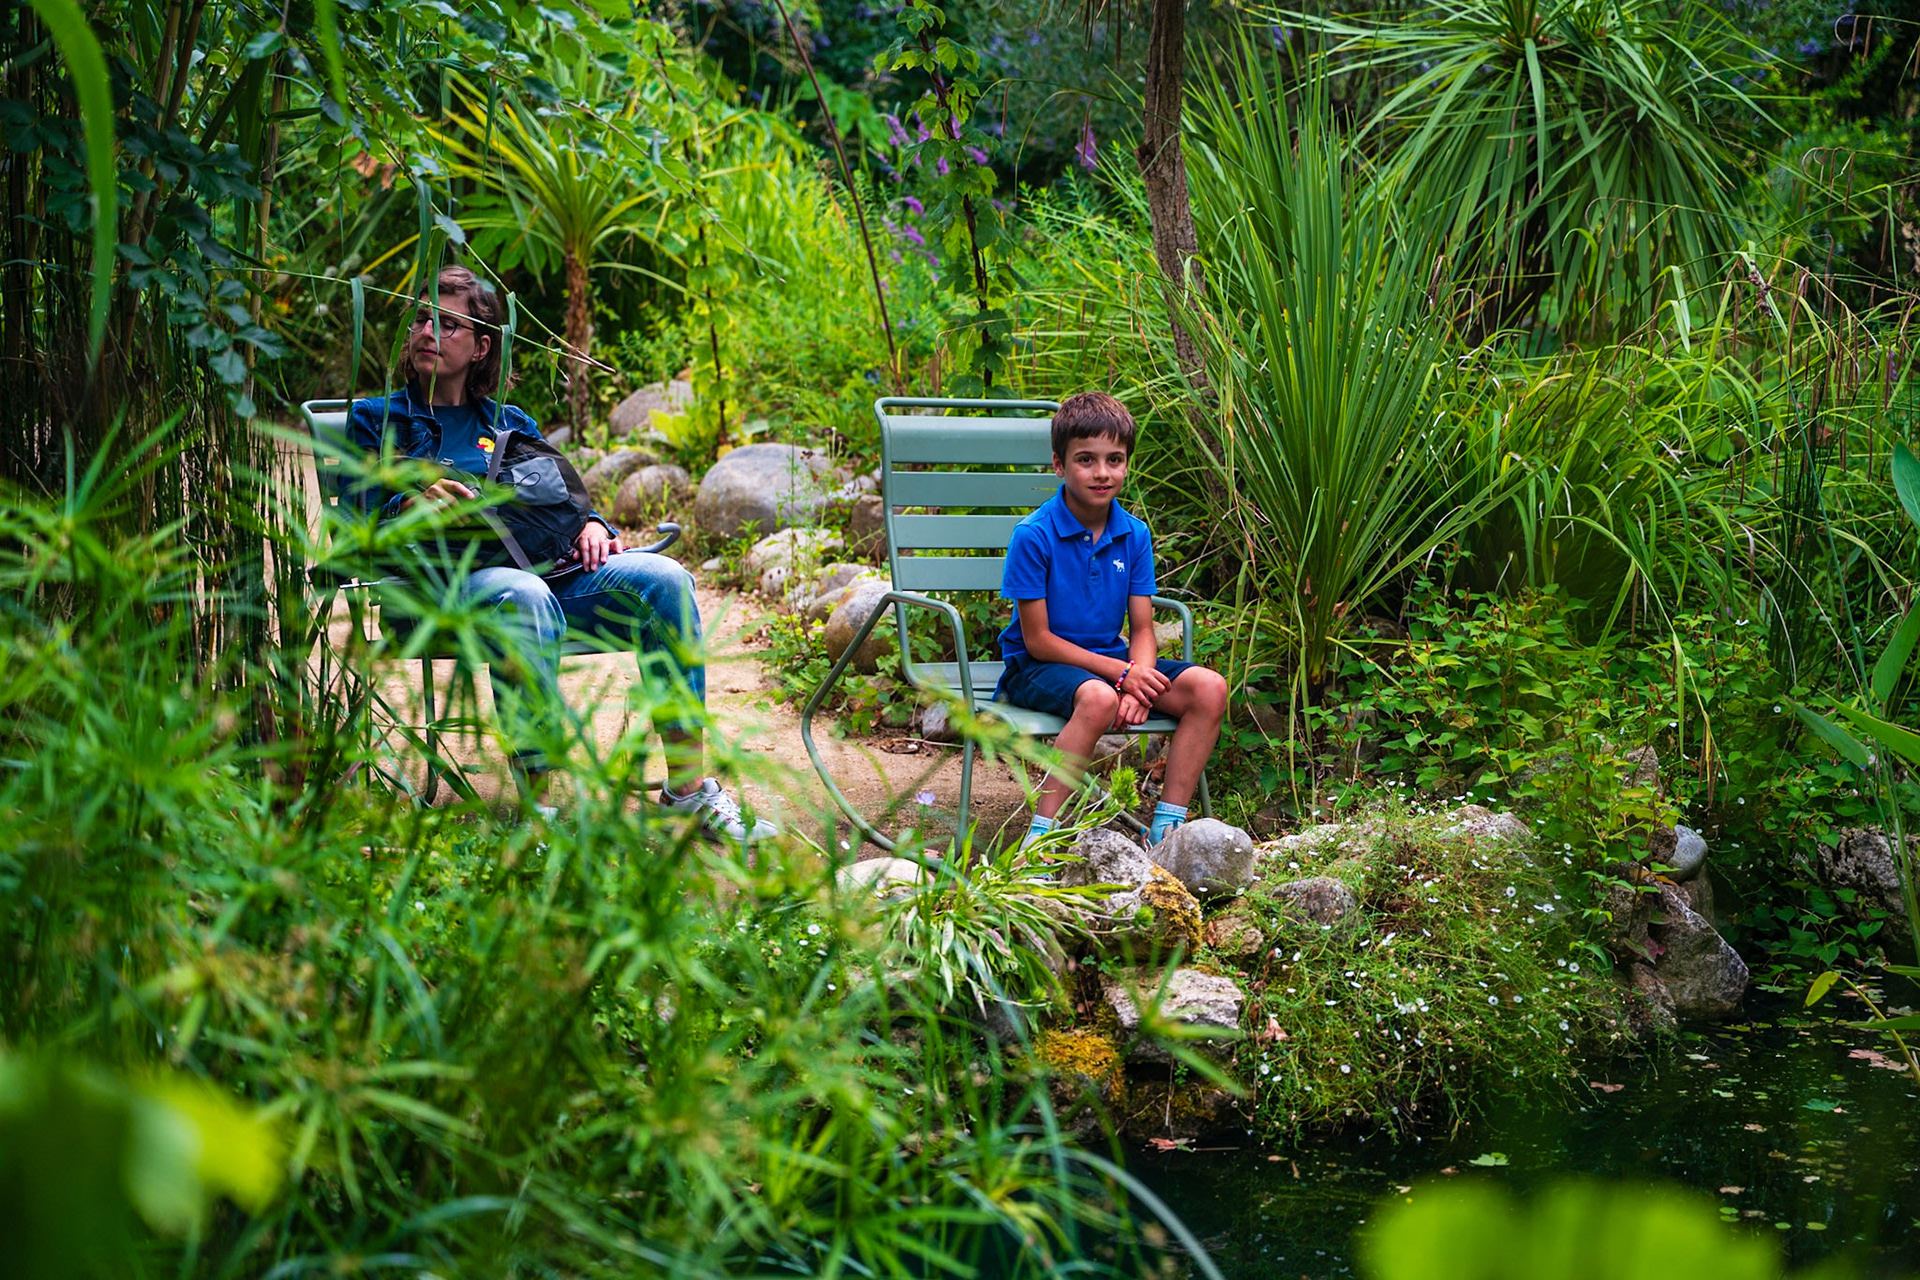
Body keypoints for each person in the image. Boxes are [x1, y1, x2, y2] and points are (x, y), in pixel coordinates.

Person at [343, 264, 774, 842]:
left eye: (448, 324)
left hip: (546, 579)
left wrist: (592, 523)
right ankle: (538, 809)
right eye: (422, 318)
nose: (427, 331)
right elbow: (355, 522)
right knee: (523, 596)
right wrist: (410, 504)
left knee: (665, 579)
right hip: (440, 591)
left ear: (481, 346)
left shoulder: (508, 422)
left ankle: (688, 793)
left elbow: (556, 496)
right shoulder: (375, 419)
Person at [996, 391, 1228, 848]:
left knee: (1209, 688)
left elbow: (1142, 628)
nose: (1102, 473)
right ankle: (1042, 838)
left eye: (1115, 460)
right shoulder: (1033, 536)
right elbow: (1038, 640)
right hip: (1037, 668)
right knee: (1100, 700)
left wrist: (1138, 677)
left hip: (1112, 664)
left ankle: (1168, 830)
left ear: (1126, 464)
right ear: (1059, 465)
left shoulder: (1133, 534)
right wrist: (1124, 676)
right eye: (1086, 459)